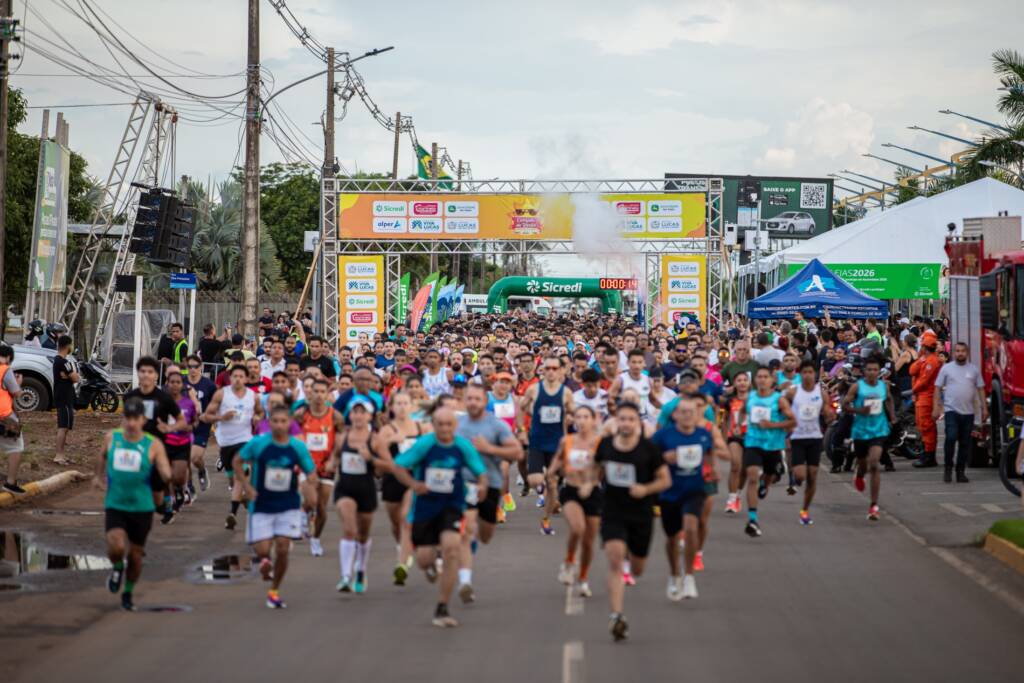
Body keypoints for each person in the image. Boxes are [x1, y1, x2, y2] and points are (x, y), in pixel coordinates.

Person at [391, 407, 489, 628]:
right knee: (424, 560)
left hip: (452, 506)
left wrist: (482, 485)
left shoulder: (462, 445)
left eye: (449, 424)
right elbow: (398, 465)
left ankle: (442, 607)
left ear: (455, 425)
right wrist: (414, 484)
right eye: (440, 424)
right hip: (425, 508)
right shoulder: (425, 445)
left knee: (452, 548)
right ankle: (430, 565)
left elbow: (479, 471)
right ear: (433, 424)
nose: (445, 429)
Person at [593, 400, 671, 641]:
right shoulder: (606, 445)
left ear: (638, 423)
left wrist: (645, 489)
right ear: (615, 421)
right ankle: (616, 616)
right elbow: (596, 470)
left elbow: (664, 480)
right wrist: (588, 485)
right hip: (613, 510)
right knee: (615, 560)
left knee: (638, 567)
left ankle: (633, 565)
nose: (626, 423)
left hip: (641, 513)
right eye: (622, 419)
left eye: (631, 419)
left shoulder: (649, 449)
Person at [235, 403, 318, 609]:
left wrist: (309, 491)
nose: (280, 425)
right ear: (269, 422)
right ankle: (264, 562)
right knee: (263, 550)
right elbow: (238, 461)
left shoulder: (297, 446)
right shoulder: (258, 443)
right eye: (275, 421)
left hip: (288, 504)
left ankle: (274, 590)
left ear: (290, 423)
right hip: (261, 504)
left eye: (283, 421)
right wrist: (246, 486)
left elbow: (312, 473)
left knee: (282, 547)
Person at [95, 398, 171, 611]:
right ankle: (117, 567)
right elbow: (102, 456)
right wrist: (97, 476)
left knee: (136, 556)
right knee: (116, 545)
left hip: (142, 507)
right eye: (127, 418)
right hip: (116, 503)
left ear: (143, 420)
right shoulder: (112, 437)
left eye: (135, 418)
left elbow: (164, 468)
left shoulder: (153, 443)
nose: (130, 423)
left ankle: (127, 592)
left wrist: (166, 474)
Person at [651, 395, 723, 600]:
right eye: (683, 412)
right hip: (669, 491)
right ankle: (674, 575)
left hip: (694, 489)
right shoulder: (663, 436)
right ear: (675, 414)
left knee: (691, 527)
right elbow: (648, 457)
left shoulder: (703, 434)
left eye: (691, 412)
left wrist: (714, 469)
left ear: (697, 414)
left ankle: (689, 576)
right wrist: (664, 458)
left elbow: (709, 454)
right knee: (672, 538)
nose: (687, 416)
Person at [455, 383, 522, 602]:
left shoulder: (497, 425)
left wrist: (490, 449)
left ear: (485, 401)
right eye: (469, 398)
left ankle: (474, 537)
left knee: (485, 534)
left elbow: (517, 452)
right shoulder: (457, 424)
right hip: (465, 483)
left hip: (492, 484)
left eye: (477, 399)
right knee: (466, 530)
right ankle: (465, 581)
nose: (473, 402)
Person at [328, 398, 383, 593]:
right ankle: (345, 575)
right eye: (355, 412)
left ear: (369, 416)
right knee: (350, 530)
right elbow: (335, 455)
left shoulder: (375, 439)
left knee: (363, 534)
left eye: (363, 412)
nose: (358, 416)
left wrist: (372, 459)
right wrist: (332, 464)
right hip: (345, 487)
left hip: (366, 489)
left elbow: (382, 470)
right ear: (350, 415)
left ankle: (360, 569)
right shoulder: (343, 436)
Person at [122, 357, 186, 525]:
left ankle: (165, 505)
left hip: (157, 448)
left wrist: (169, 428)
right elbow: (124, 420)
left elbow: (181, 420)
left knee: (157, 493)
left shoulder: (164, 398)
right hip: (135, 447)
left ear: (156, 376)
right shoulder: (130, 396)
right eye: (142, 371)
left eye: (150, 372)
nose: (146, 375)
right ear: (138, 373)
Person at [548, 405, 602, 597]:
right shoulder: (567, 440)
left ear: (593, 419)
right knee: (578, 528)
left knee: (588, 542)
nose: (581, 420)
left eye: (586, 416)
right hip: (571, 490)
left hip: (593, 493)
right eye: (578, 417)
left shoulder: (599, 442)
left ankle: (583, 579)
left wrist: (592, 483)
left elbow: (603, 468)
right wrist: (552, 474)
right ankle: (569, 562)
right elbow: (556, 461)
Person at [375, 391, 428, 584]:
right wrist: (391, 441)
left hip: (413, 478)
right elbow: (379, 451)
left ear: (412, 406)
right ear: (392, 407)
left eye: (406, 403)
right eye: (399, 403)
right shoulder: (388, 429)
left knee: (406, 518)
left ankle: (402, 562)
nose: (403, 407)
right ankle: (402, 546)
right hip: (392, 479)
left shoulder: (420, 427)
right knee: (396, 522)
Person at [520, 355, 574, 535]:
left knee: (553, 484)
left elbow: (574, 413)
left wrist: (570, 418)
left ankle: (546, 520)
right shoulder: (534, 389)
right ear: (542, 370)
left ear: (561, 371)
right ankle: (541, 487)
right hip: (537, 440)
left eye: (554, 368)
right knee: (535, 480)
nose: (550, 372)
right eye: (547, 368)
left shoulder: (565, 392)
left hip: (557, 443)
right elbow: (522, 407)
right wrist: (521, 429)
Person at [204, 365, 262, 530]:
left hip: (244, 440)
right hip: (225, 442)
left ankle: (232, 514)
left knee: (239, 475)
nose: (237, 379)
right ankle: (242, 498)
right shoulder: (222, 394)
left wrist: (257, 418)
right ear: (230, 378)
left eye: (240, 376)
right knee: (232, 478)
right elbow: (207, 416)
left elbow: (260, 412)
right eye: (234, 376)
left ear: (246, 378)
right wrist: (222, 417)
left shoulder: (253, 396)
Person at [740, 366, 795, 537]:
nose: (762, 379)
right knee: (752, 476)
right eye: (759, 376)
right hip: (753, 442)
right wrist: (738, 426)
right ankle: (752, 518)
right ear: (755, 380)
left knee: (769, 474)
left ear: (772, 381)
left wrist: (774, 425)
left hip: (773, 445)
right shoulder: (750, 397)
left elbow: (793, 421)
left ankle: (766, 483)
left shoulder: (779, 400)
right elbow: (742, 413)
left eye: (766, 376)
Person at [293, 378, 344, 557]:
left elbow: (340, 440)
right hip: (307, 465)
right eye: (317, 391)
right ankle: (302, 515)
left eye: (323, 392)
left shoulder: (335, 415)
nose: (320, 395)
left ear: (327, 394)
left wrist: (334, 459)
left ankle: (315, 539)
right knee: (312, 500)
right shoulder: (301, 414)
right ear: (310, 393)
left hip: (326, 465)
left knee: (322, 508)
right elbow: (293, 437)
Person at [842, 356, 895, 521]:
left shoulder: (883, 386)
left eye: (875, 370)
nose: (872, 372)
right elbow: (845, 405)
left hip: (878, 430)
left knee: (874, 463)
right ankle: (859, 474)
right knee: (863, 462)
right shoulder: (858, 387)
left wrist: (892, 416)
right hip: (860, 431)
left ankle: (873, 505)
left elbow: (889, 400)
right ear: (864, 371)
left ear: (879, 372)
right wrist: (859, 410)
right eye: (869, 369)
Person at [786, 360, 835, 525]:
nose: (808, 375)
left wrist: (829, 416)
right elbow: (781, 407)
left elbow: (827, 411)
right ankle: (795, 478)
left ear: (815, 374)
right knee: (801, 475)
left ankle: (804, 510)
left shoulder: (821, 393)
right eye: (805, 372)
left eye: (810, 372)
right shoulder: (793, 392)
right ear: (800, 374)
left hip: (815, 437)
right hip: (798, 438)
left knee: (813, 477)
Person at [932, 342, 986, 483]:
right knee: (950, 438)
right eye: (957, 351)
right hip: (951, 411)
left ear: (967, 353)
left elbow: (980, 389)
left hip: (968, 413)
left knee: (964, 443)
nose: (960, 353)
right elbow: (937, 387)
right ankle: (948, 467)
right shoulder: (947, 369)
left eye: (963, 351)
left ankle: (960, 471)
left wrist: (984, 408)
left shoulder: (973, 370)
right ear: (954, 353)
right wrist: (936, 407)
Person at [162, 371, 198, 514]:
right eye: (172, 382)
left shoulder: (188, 403)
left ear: (182, 385)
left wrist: (190, 427)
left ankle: (179, 489)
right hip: (165, 442)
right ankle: (169, 501)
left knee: (178, 475)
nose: (175, 385)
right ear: (167, 384)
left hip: (182, 441)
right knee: (165, 474)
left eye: (178, 382)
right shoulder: (162, 402)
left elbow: (195, 421)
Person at [183, 355, 217, 494]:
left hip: (202, 425)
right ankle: (189, 485)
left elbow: (216, 403)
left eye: (195, 367)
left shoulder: (208, 384)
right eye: (190, 367)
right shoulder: (181, 383)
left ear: (201, 367)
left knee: (195, 458)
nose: (193, 369)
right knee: (185, 457)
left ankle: (202, 470)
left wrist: (211, 417)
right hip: (184, 425)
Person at [910, 331, 941, 468]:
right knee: (922, 426)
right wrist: (921, 358)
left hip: (926, 398)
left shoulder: (932, 361)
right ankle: (926, 454)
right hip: (921, 398)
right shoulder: (926, 360)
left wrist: (913, 390)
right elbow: (912, 370)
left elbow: (923, 380)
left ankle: (929, 456)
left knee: (927, 427)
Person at [721, 370, 751, 514]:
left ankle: (738, 493)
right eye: (739, 380)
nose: (742, 383)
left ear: (749, 383)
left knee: (745, 470)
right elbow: (725, 419)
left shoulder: (755, 399)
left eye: (744, 380)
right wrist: (723, 440)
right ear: (734, 384)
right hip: (734, 437)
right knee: (735, 466)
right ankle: (731, 499)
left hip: (751, 437)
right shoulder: (730, 400)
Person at [0, 345, 25, 494]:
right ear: (9, 357)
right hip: (4, 417)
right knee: (16, 447)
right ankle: (10, 483)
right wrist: (19, 383)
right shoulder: (6, 370)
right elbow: (16, 393)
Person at [52, 335, 79, 467]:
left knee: (66, 427)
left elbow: (72, 377)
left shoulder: (61, 362)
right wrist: (71, 376)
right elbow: (76, 378)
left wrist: (68, 376)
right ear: (67, 346)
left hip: (65, 398)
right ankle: (58, 455)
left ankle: (62, 454)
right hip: (63, 398)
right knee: (63, 427)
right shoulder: (62, 362)